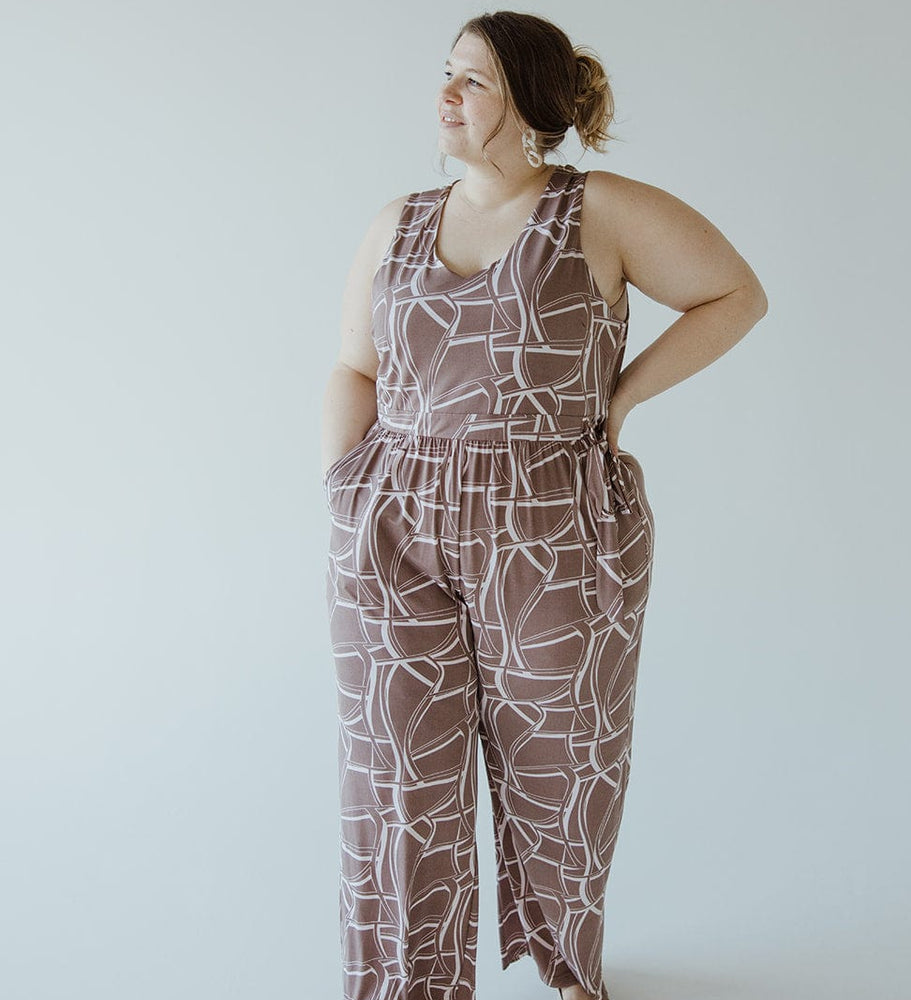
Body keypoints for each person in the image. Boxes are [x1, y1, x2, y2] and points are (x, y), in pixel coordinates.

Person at [320, 11, 767, 1000]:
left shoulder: (596, 208)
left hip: (556, 526)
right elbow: (356, 366)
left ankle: (569, 967)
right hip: (395, 527)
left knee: (562, 758)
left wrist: (622, 397)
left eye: (470, 81)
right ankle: (410, 983)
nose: (444, 95)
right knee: (398, 779)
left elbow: (733, 293)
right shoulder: (397, 221)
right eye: (445, 74)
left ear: (527, 101)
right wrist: (345, 490)